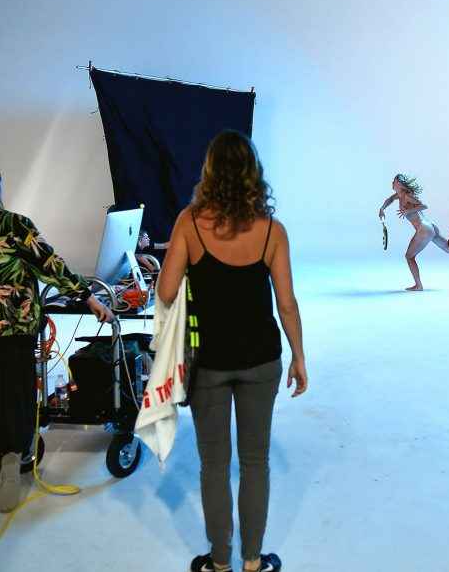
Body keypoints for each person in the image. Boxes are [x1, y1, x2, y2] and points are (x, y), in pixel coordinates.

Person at [157, 130, 307, 572]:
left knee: (214, 465)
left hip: (209, 363)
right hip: (262, 360)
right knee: (256, 462)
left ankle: (219, 563)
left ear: (209, 171)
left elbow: (166, 292)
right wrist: (299, 357)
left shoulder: (189, 223)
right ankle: (253, 562)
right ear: (252, 173)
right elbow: (287, 303)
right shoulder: (273, 231)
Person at [0, 163, 113, 513]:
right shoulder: (14, 224)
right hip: (6, 328)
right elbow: (50, 264)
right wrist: (89, 297)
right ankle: (12, 457)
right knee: (13, 397)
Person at [378, 173, 449, 291]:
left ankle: (418, 285)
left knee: (409, 256)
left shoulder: (406, 196)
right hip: (430, 227)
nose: (392, 183)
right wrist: (382, 208)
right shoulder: (399, 195)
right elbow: (390, 199)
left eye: (394, 181)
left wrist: (408, 211)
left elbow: (424, 206)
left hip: (423, 229)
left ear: (399, 184)